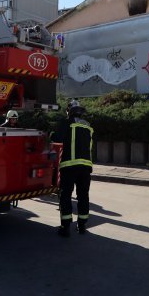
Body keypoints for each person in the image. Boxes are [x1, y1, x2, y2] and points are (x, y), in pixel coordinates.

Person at [53, 99, 94, 237]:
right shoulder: (88, 126)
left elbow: (56, 138)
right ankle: (81, 226)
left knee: (66, 195)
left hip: (69, 166)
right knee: (83, 195)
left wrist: (50, 135)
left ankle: (65, 228)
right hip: (86, 167)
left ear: (68, 111)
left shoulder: (66, 123)